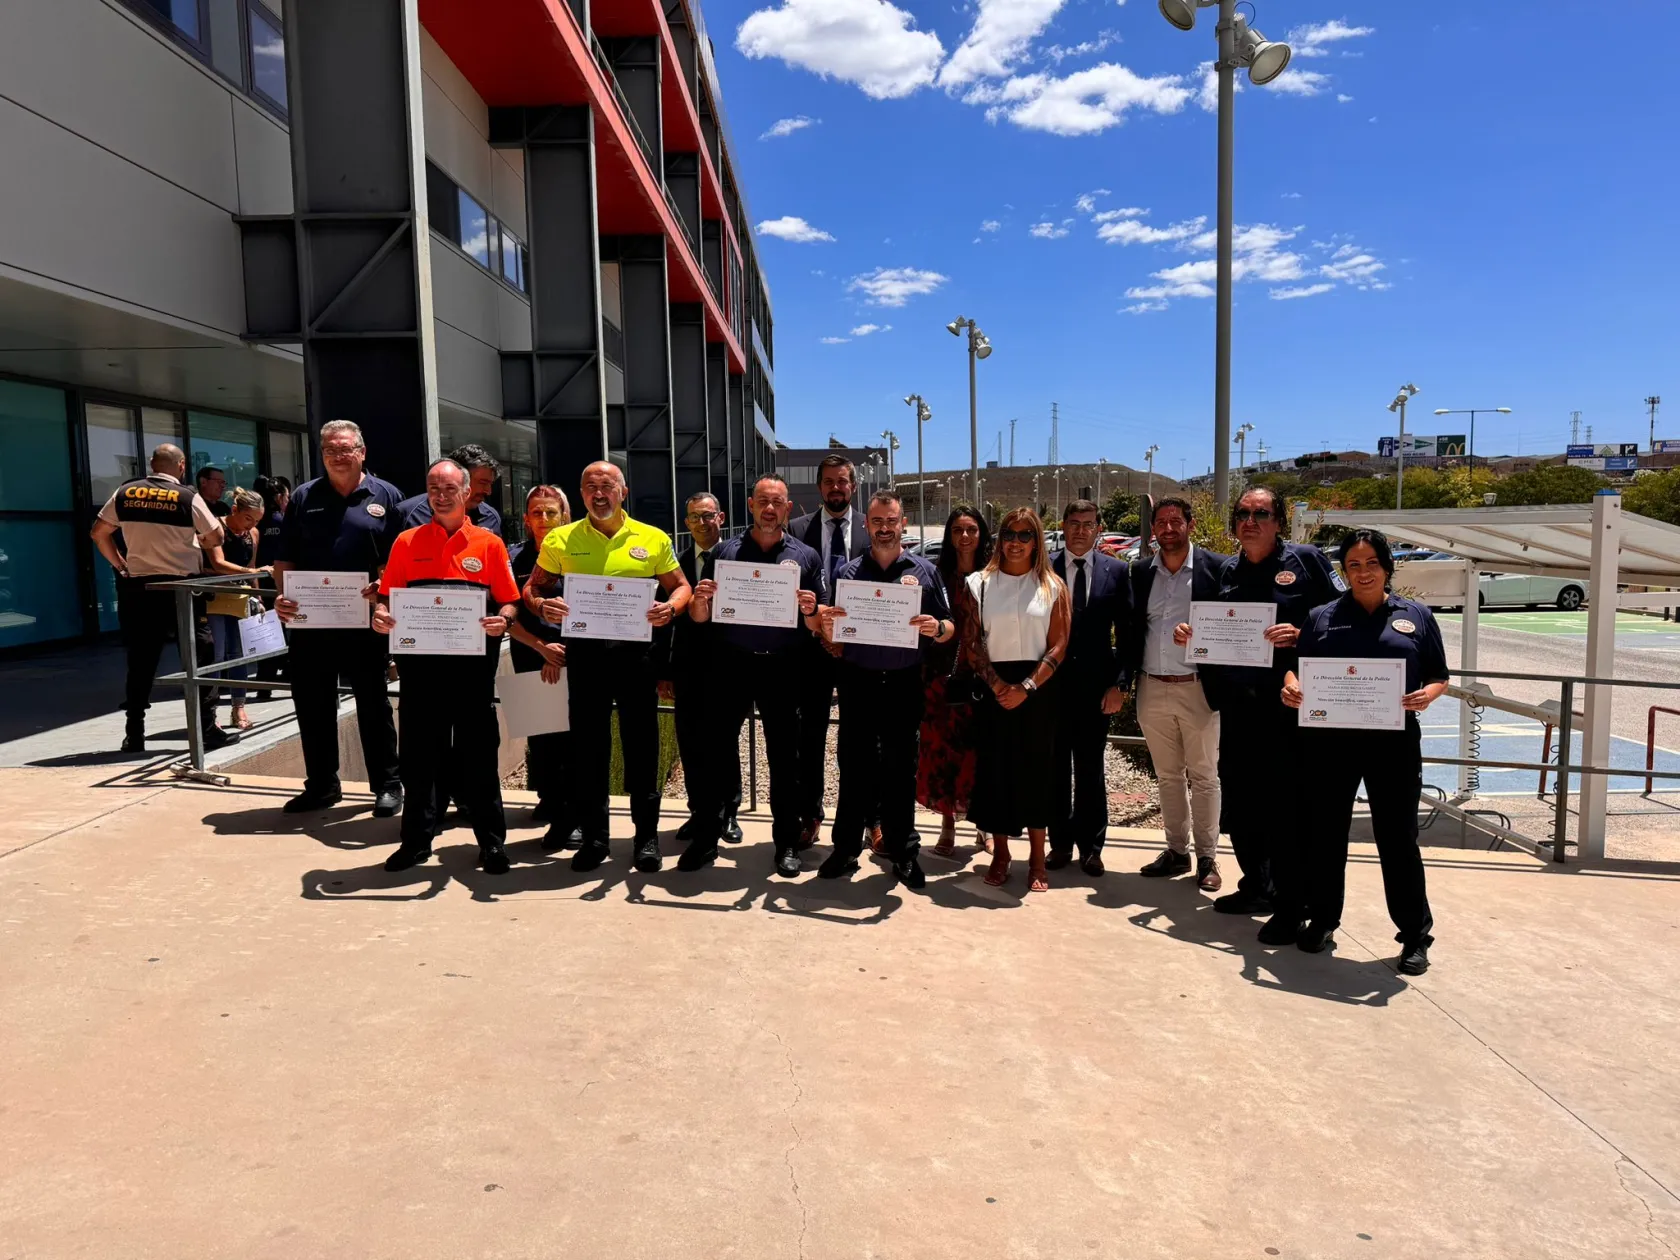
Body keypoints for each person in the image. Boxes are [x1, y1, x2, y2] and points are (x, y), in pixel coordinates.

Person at [1282, 528, 1446, 975]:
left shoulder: (1415, 616)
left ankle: (1414, 934)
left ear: (1387, 566)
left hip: (1393, 745)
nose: (1363, 572)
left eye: (1371, 563)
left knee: (1397, 840)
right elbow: (1297, 670)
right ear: (1344, 571)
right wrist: (1291, 688)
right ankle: (1323, 919)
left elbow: (1438, 674)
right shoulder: (1321, 617)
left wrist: (1427, 696)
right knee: (1326, 835)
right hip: (1330, 744)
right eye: (1353, 565)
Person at [1186, 486, 1342, 945]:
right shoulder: (1229, 570)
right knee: (1243, 799)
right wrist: (1193, 636)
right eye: (1243, 513)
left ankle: (1294, 903)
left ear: (1278, 520)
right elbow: (1219, 628)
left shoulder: (1307, 560)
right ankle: (1257, 884)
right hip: (1239, 706)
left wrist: (1303, 633)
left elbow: (1340, 614)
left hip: (1289, 707)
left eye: (1261, 513)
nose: (1250, 521)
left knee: (1287, 807)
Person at [523, 460, 692, 873]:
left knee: (642, 749)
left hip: (637, 660)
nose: (599, 494)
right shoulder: (560, 539)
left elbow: (682, 586)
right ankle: (596, 839)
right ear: (580, 496)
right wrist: (542, 603)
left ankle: (646, 839)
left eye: (607, 486)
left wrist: (669, 609)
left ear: (623, 492)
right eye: (590, 487)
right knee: (589, 751)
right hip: (586, 659)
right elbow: (531, 587)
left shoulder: (652, 539)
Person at [374, 459, 522, 874]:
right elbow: (387, 597)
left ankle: (492, 843)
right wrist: (381, 614)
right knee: (420, 760)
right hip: (421, 673)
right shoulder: (406, 542)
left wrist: (504, 619)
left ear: (465, 492)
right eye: (433, 488)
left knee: (479, 759)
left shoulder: (489, 544)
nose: (441, 495)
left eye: (449, 488)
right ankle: (415, 843)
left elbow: (509, 599)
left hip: (472, 673)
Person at [687, 477, 827, 876]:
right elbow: (700, 617)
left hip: (783, 668)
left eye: (777, 503)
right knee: (717, 756)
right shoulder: (725, 552)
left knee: (785, 761)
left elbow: (819, 626)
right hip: (730, 665)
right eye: (763, 501)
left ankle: (786, 843)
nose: (769, 509)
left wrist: (811, 608)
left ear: (787, 508)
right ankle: (706, 840)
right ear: (750, 505)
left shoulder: (806, 557)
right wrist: (699, 601)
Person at [815, 491, 955, 889]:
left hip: (903, 683)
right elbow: (827, 626)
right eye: (877, 521)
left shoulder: (925, 572)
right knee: (854, 769)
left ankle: (903, 852)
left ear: (903, 523)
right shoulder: (846, 573)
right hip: (857, 681)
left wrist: (937, 629)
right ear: (866, 525)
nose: (884, 528)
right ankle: (844, 851)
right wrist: (828, 625)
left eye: (891, 521)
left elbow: (950, 628)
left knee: (900, 771)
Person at [272, 420, 406, 816]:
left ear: (362, 452)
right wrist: (282, 595)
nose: (337, 455)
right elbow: (285, 558)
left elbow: (400, 558)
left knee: (373, 703)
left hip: (365, 621)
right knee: (312, 705)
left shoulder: (387, 495)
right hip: (311, 623)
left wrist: (382, 587)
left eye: (346, 448)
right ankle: (322, 785)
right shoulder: (303, 496)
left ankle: (387, 784)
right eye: (330, 449)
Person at [89, 443, 232, 753]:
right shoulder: (187, 496)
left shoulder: (126, 493)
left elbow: (98, 533)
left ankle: (134, 732)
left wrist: (120, 565)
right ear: (181, 467)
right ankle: (207, 728)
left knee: (140, 661)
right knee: (200, 657)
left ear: (152, 464)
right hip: (182, 590)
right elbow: (216, 537)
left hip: (140, 588)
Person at [962, 507, 1071, 892]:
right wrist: (997, 686)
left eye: (1026, 535)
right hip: (994, 688)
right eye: (1010, 533)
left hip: (1038, 691)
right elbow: (973, 643)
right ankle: (1001, 853)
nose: (1017, 542)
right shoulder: (980, 583)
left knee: (1037, 773)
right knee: (996, 772)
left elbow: (1058, 644)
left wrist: (1026, 687)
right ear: (999, 537)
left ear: (1037, 541)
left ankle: (1037, 858)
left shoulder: (1053, 586)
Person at [1124, 496, 1229, 891]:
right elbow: (1135, 629)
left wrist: (1206, 638)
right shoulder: (1140, 572)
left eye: (1175, 521)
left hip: (1198, 687)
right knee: (1168, 775)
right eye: (1161, 522)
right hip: (1152, 685)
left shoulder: (1216, 569)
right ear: (1153, 528)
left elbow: (1233, 627)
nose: (1168, 529)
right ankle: (1175, 851)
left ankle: (1207, 858)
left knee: (1204, 775)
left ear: (1191, 524)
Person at [787, 453, 872, 848]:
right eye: (829, 482)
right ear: (819, 487)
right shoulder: (796, 529)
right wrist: (822, 632)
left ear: (852, 486)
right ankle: (811, 814)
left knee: (862, 737)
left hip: (859, 652)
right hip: (811, 650)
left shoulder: (872, 532)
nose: (836, 488)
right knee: (810, 736)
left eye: (843, 481)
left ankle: (870, 817)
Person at [1048, 499, 1129, 876]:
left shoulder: (1117, 571)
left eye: (1089, 523)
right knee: (1055, 768)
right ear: (1063, 526)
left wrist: (1121, 684)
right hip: (1052, 686)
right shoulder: (1042, 567)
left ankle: (1092, 847)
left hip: (1097, 687)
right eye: (1074, 523)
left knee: (1091, 768)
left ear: (1098, 528)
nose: (1081, 529)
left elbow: (1129, 634)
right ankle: (1059, 843)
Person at [666, 492, 743, 850]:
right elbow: (666, 624)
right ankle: (699, 811)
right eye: (694, 517)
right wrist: (664, 672)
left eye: (708, 516)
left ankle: (729, 811)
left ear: (721, 518)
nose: (701, 523)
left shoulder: (737, 558)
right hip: (688, 671)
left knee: (724, 742)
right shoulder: (675, 564)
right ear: (686, 523)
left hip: (728, 668)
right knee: (691, 743)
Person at [917, 507, 990, 857]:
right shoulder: (935, 574)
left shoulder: (994, 574)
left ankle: (984, 825)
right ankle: (947, 824)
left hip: (984, 677)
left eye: (971, 529)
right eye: (957, 529)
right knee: (943, 752)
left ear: (981, 534)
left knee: (981, 752)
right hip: (940, 677)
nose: (964, 536)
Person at [506, 484, 577, 850]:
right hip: (529, 652)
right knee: (540, 736)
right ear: (526, 518)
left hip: (573, 656)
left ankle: (574, 812)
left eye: (552, 512)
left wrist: (560, 654)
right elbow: (506, 610)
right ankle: (548, 800)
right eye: (537, 512)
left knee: (572, 739)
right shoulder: (513, 558)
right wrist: (540, 649)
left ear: (565, 515)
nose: (545, 519)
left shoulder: (581, 552)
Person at [204, 487, 268, 730]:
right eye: (247, 517)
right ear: (234, 510)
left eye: (257, 520)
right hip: (214, 597)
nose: (250, 524)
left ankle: (239, 707)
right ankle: (211, 714)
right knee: (217, 654)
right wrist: (251, 572)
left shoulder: (253, 534)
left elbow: (252, 566)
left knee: (239, 654)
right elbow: (217, 564)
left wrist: (259, 597)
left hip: (240, 596)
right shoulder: (215, 528)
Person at [397, 443, 504, 535]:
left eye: (490, 484)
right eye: (483, 483)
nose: (488, 491)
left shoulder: (491, 518)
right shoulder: (408, 515)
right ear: (461, 477)